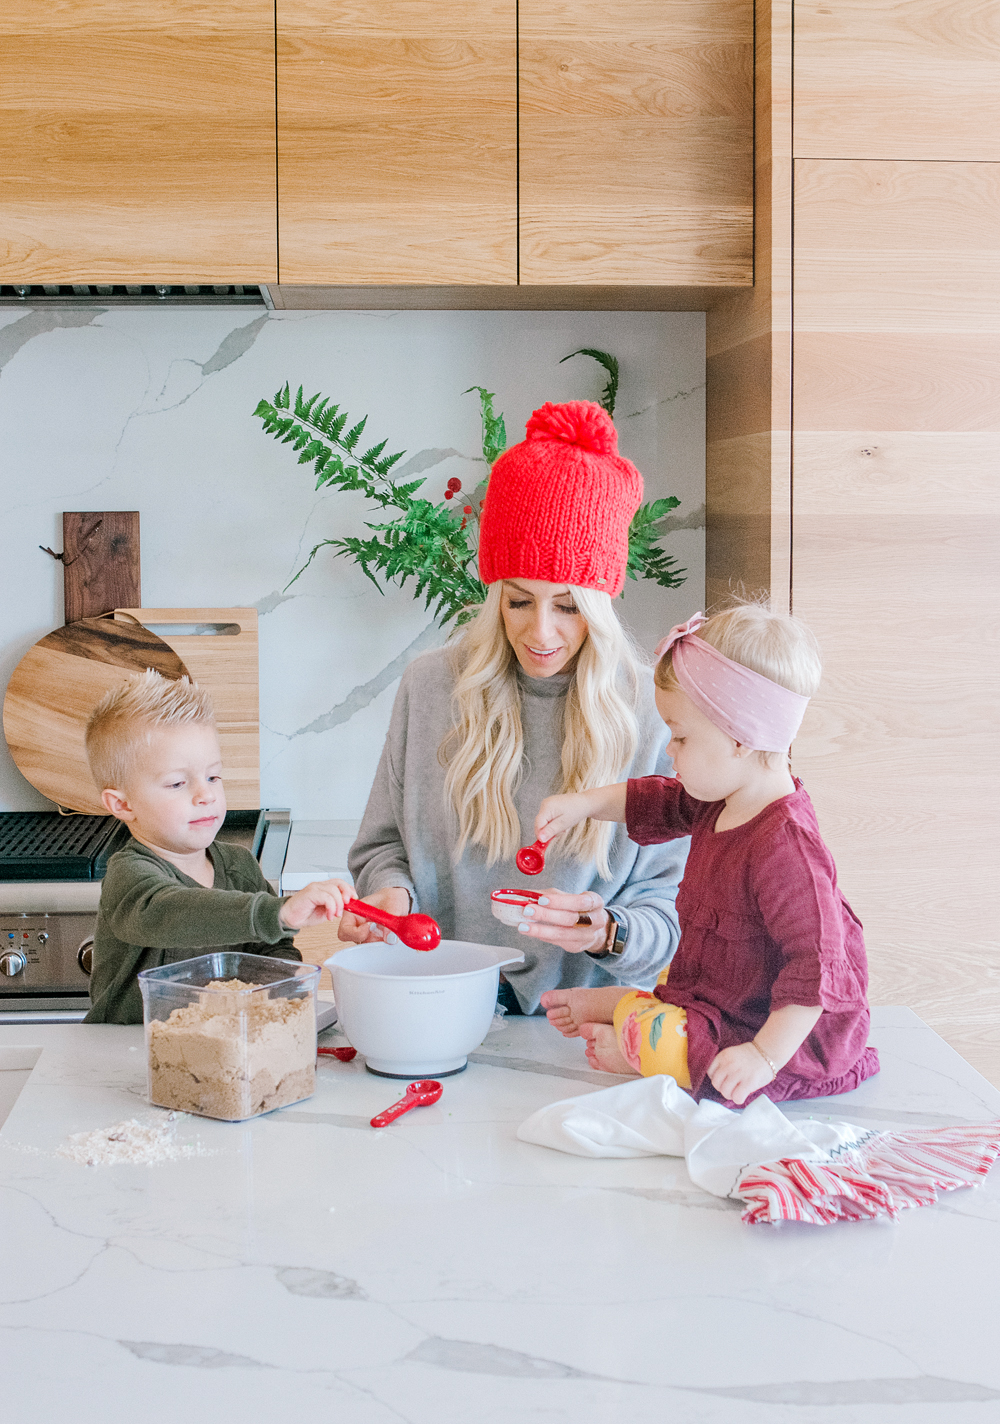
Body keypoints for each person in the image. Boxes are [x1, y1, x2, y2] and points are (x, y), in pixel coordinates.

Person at [341, 399, 689, 1014]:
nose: (541, 632)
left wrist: (607, 932)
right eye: (519, 601)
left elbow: (669, 912)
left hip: (584, 1026)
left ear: (600, 605)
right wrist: (391, 897)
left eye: (569, 606)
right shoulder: (430, 689)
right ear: (495, 594)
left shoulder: (652, 712)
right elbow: (382, 848)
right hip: (437, 1003)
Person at [537, 602, 879, 1105]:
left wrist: (762, 1057)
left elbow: (816, 970)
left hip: (784, 1034)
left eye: (680, 736)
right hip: (724, 1000)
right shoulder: (718, 799)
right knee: (673, 998)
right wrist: (583, 804)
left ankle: (633, 1040)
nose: (669, 750)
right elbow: (653, 800)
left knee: (690, 1055)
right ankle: (633, 1014)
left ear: (740, 738)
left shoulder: (787, 850)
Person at [84, 671, 352, 1024]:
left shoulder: (239, 865)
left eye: (213, 777)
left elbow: (272, 950)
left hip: (219, 1041)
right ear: (122, 804)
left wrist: (282, 993)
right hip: (125, 1047)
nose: (206, 794)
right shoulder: (130, 875)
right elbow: (171, 912)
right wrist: (276, 913)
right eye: (177, 783)